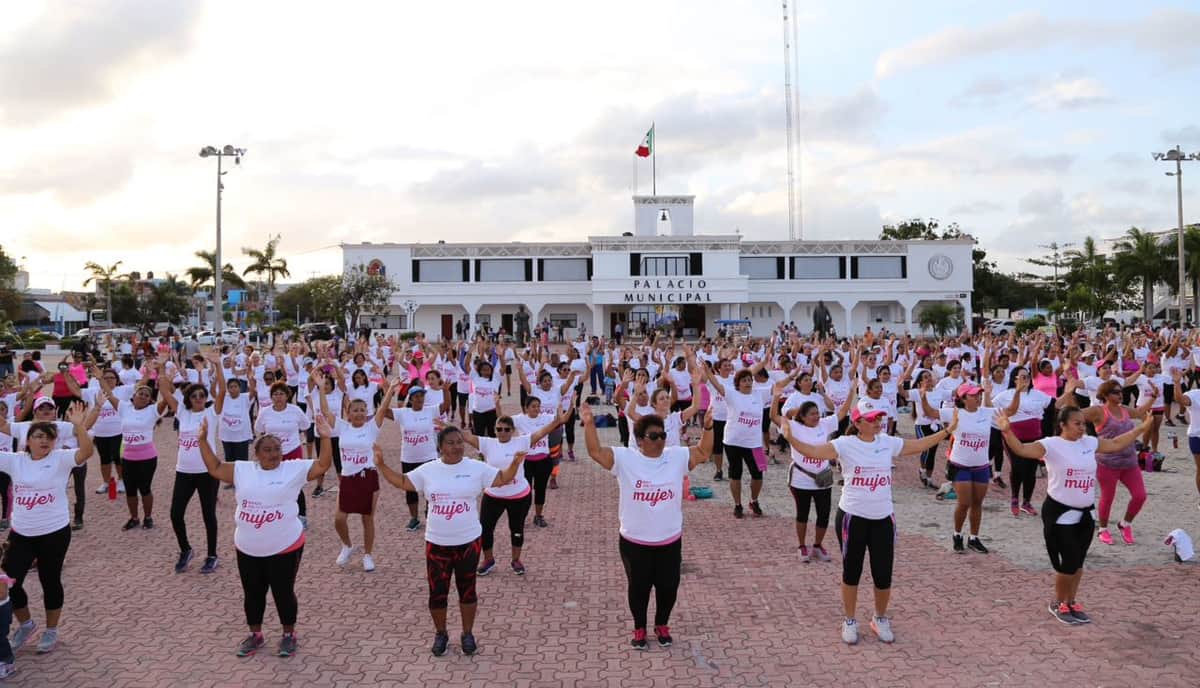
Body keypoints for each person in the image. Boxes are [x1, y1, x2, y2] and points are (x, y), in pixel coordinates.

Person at [779, 402, 956, 645]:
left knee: (883, 574)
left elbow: (919, 445)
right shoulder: (845, 444)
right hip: (852, 517)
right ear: (858, 422)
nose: (877, 422)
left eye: (879, 417)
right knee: (852, 571)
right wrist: (791, 439)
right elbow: (813, 451)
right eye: (871, 418)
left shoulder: (888, 442)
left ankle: (880, 618)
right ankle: (850, 620)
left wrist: (947, 431)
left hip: (883, 518)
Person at [375, 426, 528, 657]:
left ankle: (467, 634)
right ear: (440, 447)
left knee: (467, 591)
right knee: (438, 593)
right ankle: (441, 633)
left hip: (468, 542)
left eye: (459, 442)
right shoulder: (428, 470)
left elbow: (502, 478)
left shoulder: (475, 468)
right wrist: (381, 465)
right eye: (450, 443)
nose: (456, 446)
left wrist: (515, 463)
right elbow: (403, 483)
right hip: (437, 544)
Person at [580, 401, 713, 650]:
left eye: (662, 435)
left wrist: (708, 428)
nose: (660, 440)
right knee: (639, 587)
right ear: (640, 439)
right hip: (634, 541)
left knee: (668, 587)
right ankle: (639, 627)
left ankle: (662, 624)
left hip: (669, 540)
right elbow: (595, 452)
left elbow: (704, 453)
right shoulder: (625, 458)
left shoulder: (676, 456)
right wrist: (589, 424)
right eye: (654, 436)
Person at [197, 413, 334, 656]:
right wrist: (203, 441)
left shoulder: (293, 469)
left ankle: (288, 634)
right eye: (268, 450)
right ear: (257, 454)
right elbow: (215, 467)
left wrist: (326, 437)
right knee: (253, 592)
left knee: (283, 591)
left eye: (277, 449)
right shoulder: (243, 470)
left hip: (285, 546)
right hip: (247, 547)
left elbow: (323, 465)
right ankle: (255, 634)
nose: (273, 454)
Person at [997, 407, 1146, 625]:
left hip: (1086, 512)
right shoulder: (1051, 445)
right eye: (1076, 423)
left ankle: (1072, 600)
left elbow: (1115, 444)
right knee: (1067, 562)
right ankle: (1059, 603)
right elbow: (1021, 449)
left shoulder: (1089, 443)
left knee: (1078, 563)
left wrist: (1143, 427)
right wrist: (1007, 431)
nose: (1082, 428)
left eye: (1083, 423)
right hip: (1060, 512)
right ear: (1063, 424)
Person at [0, 403, 95, 657]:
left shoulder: (60, 458)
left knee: (49, 580)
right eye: (38, 436)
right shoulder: (14, 461)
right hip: (21, 533)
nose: (44, 440)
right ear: (27, 441)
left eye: (49, 437)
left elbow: (86, 452)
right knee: (9, 582)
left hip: (54, 532)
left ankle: (51, 630)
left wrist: (79, 426)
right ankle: (26, 624)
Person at [459, 404, 569, 576]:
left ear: (512, 430)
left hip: (519, 496)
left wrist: (558, 421)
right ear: (494, 430)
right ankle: (488, 560)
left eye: (506, 429)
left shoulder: (522, 441)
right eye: (498, 429)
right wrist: (442, 425)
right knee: (485, 529)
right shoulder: (488, 443)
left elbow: (542, 432)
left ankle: (516, 560)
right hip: (493, 495)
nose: (502, 432)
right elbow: (465, 436)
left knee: (516, 529)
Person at [319, 374, 398, 572]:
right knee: (339, 519)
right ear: (348, 412)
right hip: (347, 479)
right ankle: (347, 545)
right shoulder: (342, 427)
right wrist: (321, 388)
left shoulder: (372, 428)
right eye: (355, 410)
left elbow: (382, 409)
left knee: (367, 518)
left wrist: (390, 389)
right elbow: (325, 410)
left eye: (363, 410)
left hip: (368, 477)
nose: (359, 413)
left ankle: (368, 555)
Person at [773, 385, 855, 562]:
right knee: (802, 513)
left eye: (817, 413)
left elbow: (841, 414)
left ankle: (818, 545)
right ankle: (802, 545)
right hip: (801, 479)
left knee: (824, 513)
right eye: (812, 414)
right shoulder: (793, 426)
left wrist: (851, 393)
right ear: (802, 416)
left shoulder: (824, 424)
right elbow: (774, 416)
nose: (816, 416)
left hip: (823, 477)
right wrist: (775, 397)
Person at [1076, 377, 1155, 545]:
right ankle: (1103, 529)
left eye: (1121, 391)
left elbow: (1140, 412)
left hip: (1129, 463)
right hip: (1107, 463)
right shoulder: (1099, 411)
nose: (1121, 395)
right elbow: (1076, 415)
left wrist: (1153, 398)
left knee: (1140, 496)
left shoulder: (1125, 409)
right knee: (1108, 497)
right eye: (1116, 392)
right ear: (1105, 394)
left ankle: (1125, 524)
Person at [939, 383, 997, 553]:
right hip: (960, 466)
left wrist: (1017, 391)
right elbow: (929, 412)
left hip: (981, 466)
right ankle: (957, 535)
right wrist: (922, 395)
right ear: (963, 398)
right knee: (964, 503)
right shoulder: (955, 413)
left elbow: (1010, 412)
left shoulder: (986, 412)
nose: (978, 397)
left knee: (977, 503)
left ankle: (974, 538)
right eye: (973, 395)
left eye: (979, 394)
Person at [253, 382, 313, 528]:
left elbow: (306, 426)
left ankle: (302, 515)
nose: (278, 397)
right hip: (271, 455)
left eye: (281, 394)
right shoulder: (265, 412)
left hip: (292, 451)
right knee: (271, 483)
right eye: (275, 394)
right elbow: (259, 429)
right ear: (271, 397)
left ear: (287, 395)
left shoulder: (295, 410)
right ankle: (274, 513)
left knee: (295, 484)